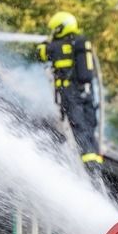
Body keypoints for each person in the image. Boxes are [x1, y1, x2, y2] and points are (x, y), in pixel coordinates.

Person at [36, 11, 102, 168]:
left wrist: (46, 43)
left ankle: (86, 163)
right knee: (89, 127)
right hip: (87, 92)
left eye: (55, 29)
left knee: (78, 127)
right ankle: (95, 162)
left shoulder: (56, 47)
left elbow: (40, 54)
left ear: (61, 28)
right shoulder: (81, 43)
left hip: (71, 93)